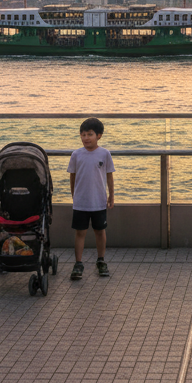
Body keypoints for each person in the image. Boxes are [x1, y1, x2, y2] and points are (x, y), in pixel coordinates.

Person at [67, 117, 115, 280]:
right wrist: (74, 196)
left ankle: (101, 261)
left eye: (90, 134)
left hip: (99, 201)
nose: (86, 138)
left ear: (99, 136)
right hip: (81, 202)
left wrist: (111, 196)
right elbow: (72, 177)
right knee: (80, 232)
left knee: (100, 231)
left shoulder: (105, 154)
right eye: (83, 135)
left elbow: (109, 176)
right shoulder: (76, 154)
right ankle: (78, 263)